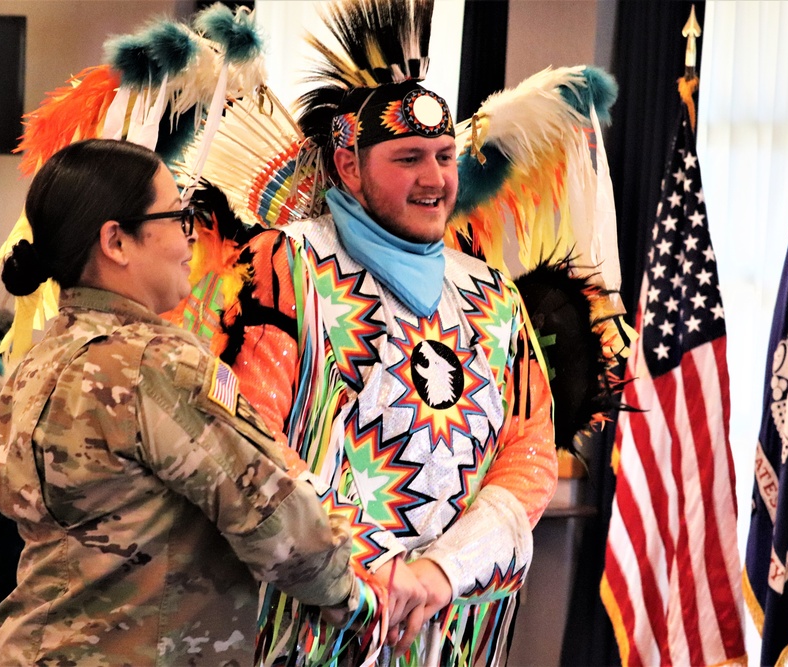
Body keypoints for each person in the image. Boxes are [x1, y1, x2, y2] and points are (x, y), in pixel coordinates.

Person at [216, 4, 559, 662]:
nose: (435, 178)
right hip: (314, 625)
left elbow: (529, 453)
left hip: (449, 625)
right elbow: (246, 439)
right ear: (349, 165)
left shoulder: (493, 296)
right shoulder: (283, 268)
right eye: (408, 158)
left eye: (443, 156)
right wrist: (362, 572)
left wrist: (439, 572)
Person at [0, 138, 360, 666]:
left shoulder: (38, 360)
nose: (192, 235)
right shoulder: (155, 363)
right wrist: (355, 598)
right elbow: (275, 520)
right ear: (116, 240)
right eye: (178, 216)